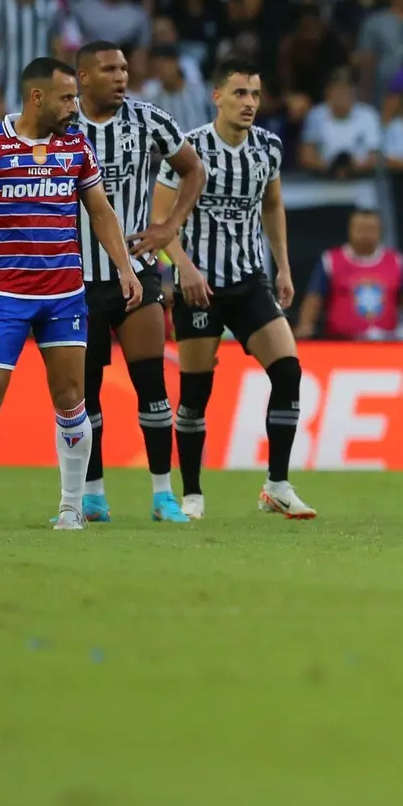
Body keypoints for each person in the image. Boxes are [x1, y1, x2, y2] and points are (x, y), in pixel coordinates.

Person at [0, 56, 143, 531]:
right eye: (67, 97)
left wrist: (124, 267)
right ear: (37, 97)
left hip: (65, 294)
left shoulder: (76, 147)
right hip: (4, 296)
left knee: (72, 399)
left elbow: (101, 210)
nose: (75, 106)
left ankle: (71, 508)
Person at [154, 58, 314, 521]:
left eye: (256, 95)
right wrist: (183, 268)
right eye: (240, 93)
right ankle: (193, 493)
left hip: (249, 282)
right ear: (217, 97)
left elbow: (273, 204)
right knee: (195, 393)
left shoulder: (268, 147)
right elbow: (160, 220)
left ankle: (277, 485)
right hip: (199, 287)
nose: (249, 103)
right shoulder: (189, 150)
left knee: (288, 371)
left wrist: (282, 267)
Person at [73, 41, 207, 523]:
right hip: (76, 281)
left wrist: (169, 228)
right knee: (85, 395)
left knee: (151, 383)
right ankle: (92, 495)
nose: (121, 75)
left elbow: (194, 169)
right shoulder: (63, 127)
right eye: (109, 69)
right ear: (83, 77)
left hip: (137, 273)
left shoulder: (148, 119)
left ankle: (161, 494)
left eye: (125, 67)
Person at [297, 207, 403, 340]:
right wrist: (304, 327)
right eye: (361, 229)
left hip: (386, 343)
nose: (366, 234)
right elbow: (314, 299)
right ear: (350, 229)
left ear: (380, 231)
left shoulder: (396, 261)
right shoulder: (330, 260)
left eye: (371, 229)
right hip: (342, 343)